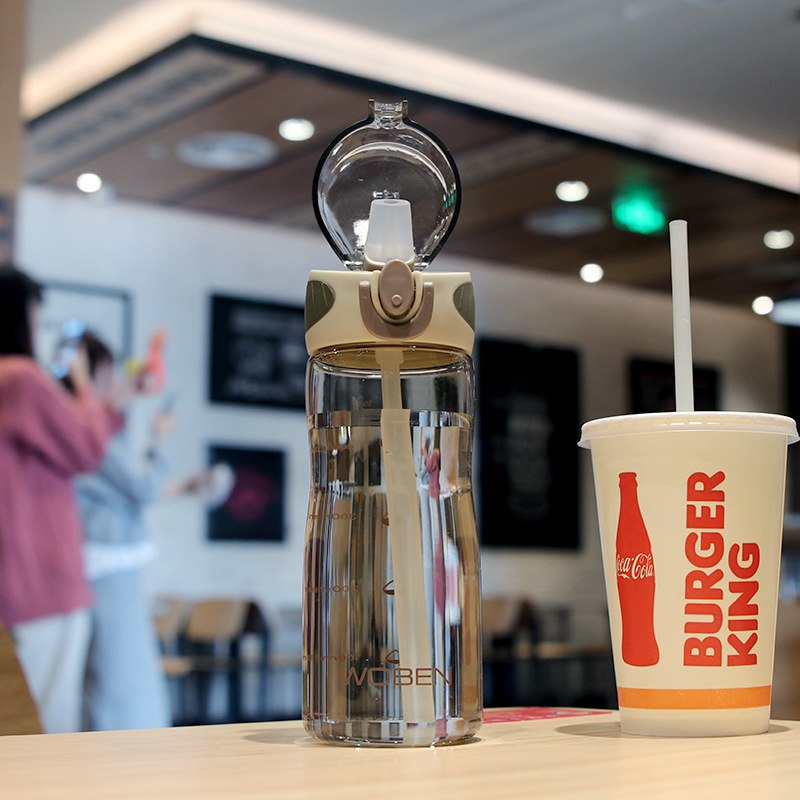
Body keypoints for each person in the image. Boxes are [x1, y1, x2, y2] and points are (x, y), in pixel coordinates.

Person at [0, 264, 114, 733]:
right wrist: (84, 385)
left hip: (15, 581)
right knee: (47, 730)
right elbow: (86, 449)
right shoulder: (21, 379)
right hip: (42, 582)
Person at [71, 332, 173, 731]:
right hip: (107, 565)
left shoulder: (79, 426)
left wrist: (127, 393)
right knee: (120, 679)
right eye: (110, 374)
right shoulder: (87, 432)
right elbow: (143, 487)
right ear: (95, 373)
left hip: (101, 562)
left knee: (112, 675)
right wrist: (160, 440)